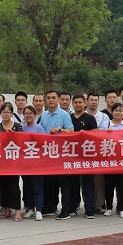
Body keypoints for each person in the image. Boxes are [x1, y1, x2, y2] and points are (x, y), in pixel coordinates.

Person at [39, 90, 74, 220]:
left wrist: (59, 130)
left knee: (63, 183)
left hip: (61, 154)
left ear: (58, 99)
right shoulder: (44, 115)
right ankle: (50, 207)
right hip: (47, 154)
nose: (51, 100)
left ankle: (66, 210)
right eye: (48, 98)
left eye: (53, 98)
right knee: (48, 182)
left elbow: (71, 131)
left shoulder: (64, 115)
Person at [70, 94, 98, 219]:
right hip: (72, 155)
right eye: (75, 102)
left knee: (87, 183)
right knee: (73, 183)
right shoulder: (69, 118)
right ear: (72, 104)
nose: (78, 104)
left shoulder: (90, 118)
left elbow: (96, 134)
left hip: (86, 155)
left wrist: (86, 134)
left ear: (85, 103)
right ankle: (72, 207)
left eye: (80, 102)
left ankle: (89, 209)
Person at [103, 104, 123, 218]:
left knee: (122, 185)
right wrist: (106, 133)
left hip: (122, 161)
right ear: (112, 112)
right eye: (116, 110)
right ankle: (109, 208)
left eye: (121, 111)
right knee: (109, 185)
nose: (118, 113)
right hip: (109, 161)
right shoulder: (106, 125)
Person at [0, 103, 23, 221]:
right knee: (3, 185)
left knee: (14, 186)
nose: (6, 114)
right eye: (3, 112)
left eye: (8, 112)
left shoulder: (17, 126)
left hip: (14, 161)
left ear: (12, 113)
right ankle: (7, 210)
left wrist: (14, 136)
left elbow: (22, 141)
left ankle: (17, 210)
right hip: (1, 161)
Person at [20, 105, 46, 221]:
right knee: (28, 187)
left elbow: (45, 143)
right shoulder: (22, 129)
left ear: (35, 115)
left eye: (31, 113)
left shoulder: (39, 128)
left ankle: (39, 210)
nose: (28, 115)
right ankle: (31, 208)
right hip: (25, 164)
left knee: (37, 187)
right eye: (26, 114)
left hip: (37, 163)